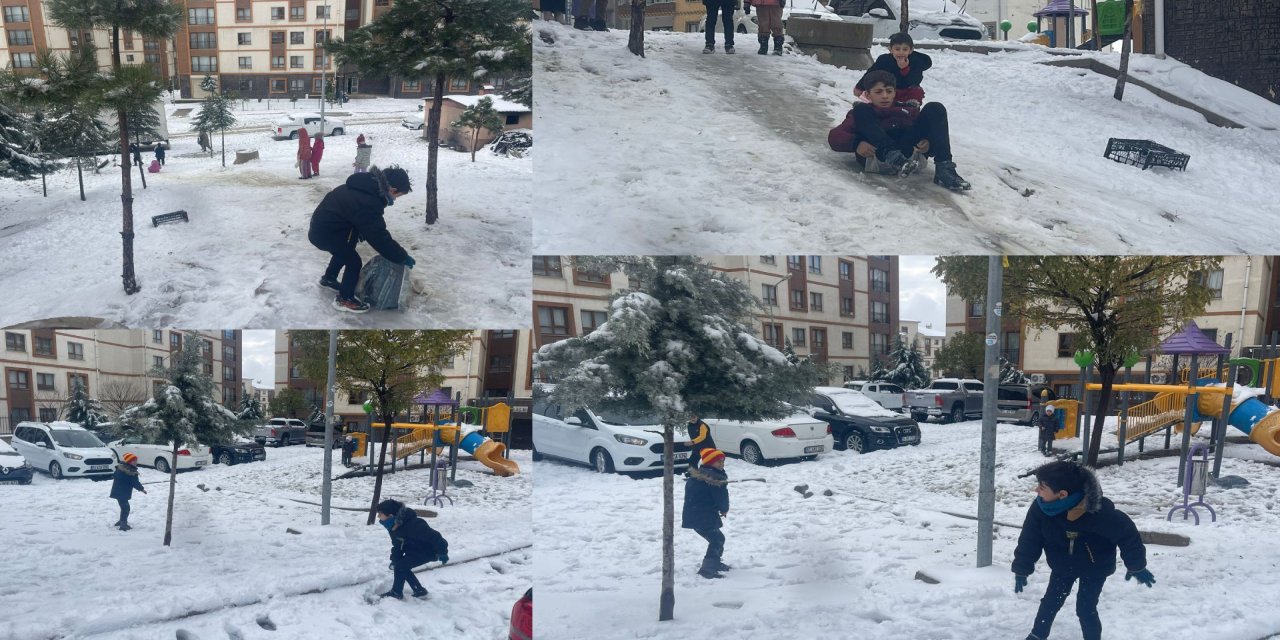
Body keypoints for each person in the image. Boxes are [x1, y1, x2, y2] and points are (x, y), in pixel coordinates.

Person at [1012, 461, 1154, 640]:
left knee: (1086, 608)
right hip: (1062, 564)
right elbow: (1030, 538)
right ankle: (1037, 635)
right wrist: (1022, 568)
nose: (1036, 490)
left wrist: (1136, 565)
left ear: (1062, 494)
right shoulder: (1041, 507)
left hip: (1094, 566)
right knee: (1050, 602)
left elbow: (1127, 534)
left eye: (1042, 487)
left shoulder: (1097, 512)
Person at [826, 69, 970, 191]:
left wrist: (928, 144)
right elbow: (834, 137)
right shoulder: (863, 113)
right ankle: (893, 156)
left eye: (889, 91)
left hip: (908, 157)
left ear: (894, 93)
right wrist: (856, 143)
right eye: (878, 92)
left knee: (935, 107)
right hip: (878, 158)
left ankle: (945, 170)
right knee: (861, 109)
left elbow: (931, 132)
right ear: (868, 95)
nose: (885, 96)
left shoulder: (907, 109)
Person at [307, 165, 417, 313]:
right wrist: (401, 256)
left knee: (346, 250)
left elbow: (356, 216)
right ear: (392, 190)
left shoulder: (364, 187)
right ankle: (345, 299)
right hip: (326, 233)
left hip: (325, 229)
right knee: (353, 261)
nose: (396, 199)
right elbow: (379, 237)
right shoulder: (369, 201)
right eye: (399, 196)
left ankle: (329, 278)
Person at [375, 499, 449, 599]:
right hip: (414, 550)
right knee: (400, 565)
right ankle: (419, 590)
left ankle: (396, 593)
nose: (378, 516)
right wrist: (395, 559)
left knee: (401, 567)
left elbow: (435, 536)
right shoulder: (393, 526)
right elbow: (397, 544)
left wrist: (442, 552)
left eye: (380, 514)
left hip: (428, 551)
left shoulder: (413, 524)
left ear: (390, 515)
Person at [681, 449, 730, 579]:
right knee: (717, 539)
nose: (721, 464)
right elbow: (721, 497)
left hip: (695, 514)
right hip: (703, 516)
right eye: (718, 461)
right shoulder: (715, 479)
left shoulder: (698, 476)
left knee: (716, 539)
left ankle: (715, 563)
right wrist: (724, 509)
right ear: (709, 462)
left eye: (722, 461)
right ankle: (708, 569)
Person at [868, 32, 932, 105]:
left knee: (917, 90)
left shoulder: (915, 62)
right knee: (877, 88)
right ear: (890, 49)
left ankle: (911, 106)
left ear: (910, 50)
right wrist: (860, 87)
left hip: (907, 92)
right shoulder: (884, 60)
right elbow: (871, 73)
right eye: (897, 49)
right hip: (889, 91)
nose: (901, 52)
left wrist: (905, 68)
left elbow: (915, 81)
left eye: (905, 49)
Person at [110, 453, 147, 531]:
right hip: (122, 493)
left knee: (124, 507)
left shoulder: (121, 469)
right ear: (129, 461)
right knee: (126, 508)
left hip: (117, 491)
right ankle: (123, 524)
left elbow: (116, 477)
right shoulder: (130, 472)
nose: (136, 462)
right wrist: (142, 489)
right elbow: (135, 483)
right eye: (134, 461)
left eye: (136, 460)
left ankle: (121, 521)